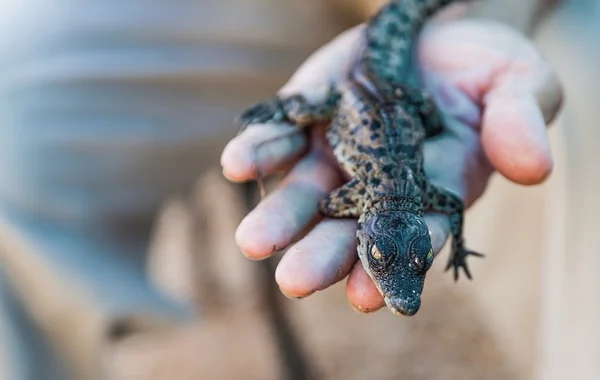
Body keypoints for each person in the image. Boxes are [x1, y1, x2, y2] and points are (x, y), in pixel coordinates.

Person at [221, 0, 563, 313]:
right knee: (311, 110)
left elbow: (329, 206)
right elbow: (330, 205)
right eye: (383, 260)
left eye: (418, 260)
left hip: (384, 91)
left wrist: (457, 245)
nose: (405, 296)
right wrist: (457, 244)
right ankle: (281, 105)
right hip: (354, 95)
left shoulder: (412, 195)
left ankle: (283, 108)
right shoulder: (387, 196)